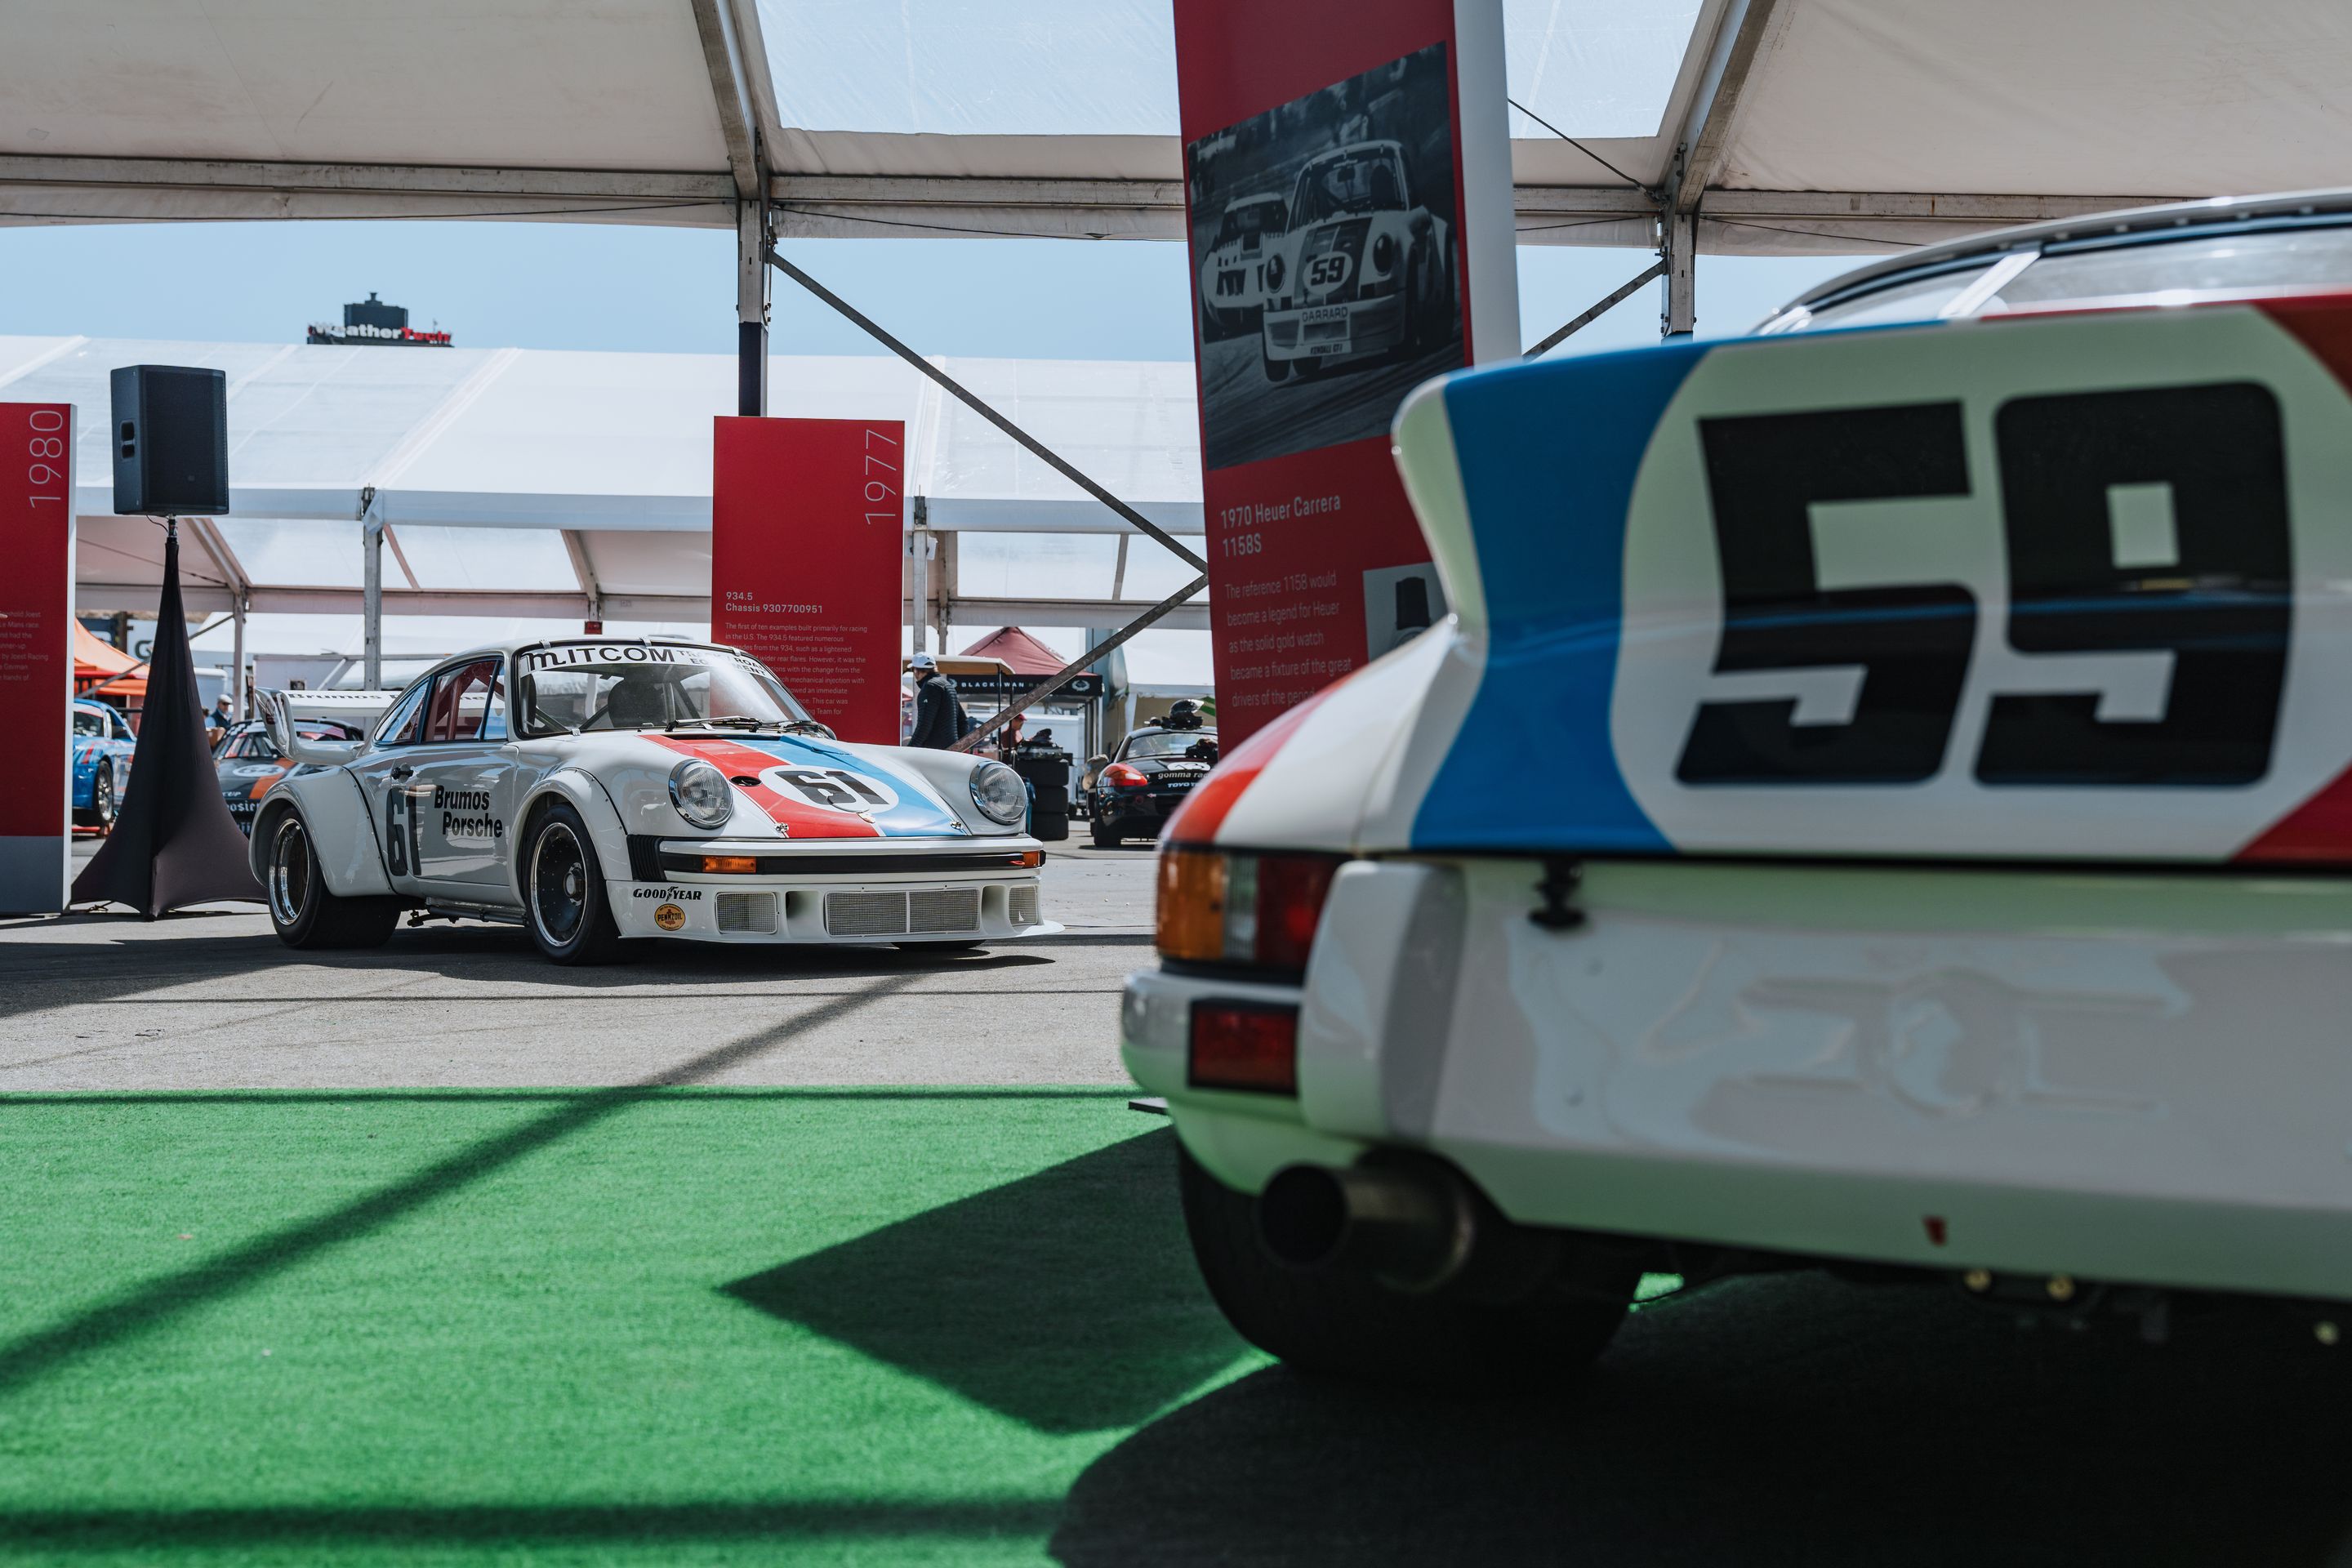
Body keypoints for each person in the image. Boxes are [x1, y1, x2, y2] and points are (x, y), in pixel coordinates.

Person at [906, 653, 969, 749]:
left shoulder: (930, 687)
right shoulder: (947, 685)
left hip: (933, 752)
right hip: (949, 750)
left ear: (916, 670)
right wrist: (959, 747)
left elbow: (924, 725)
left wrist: (910, 749)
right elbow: (963, 720)